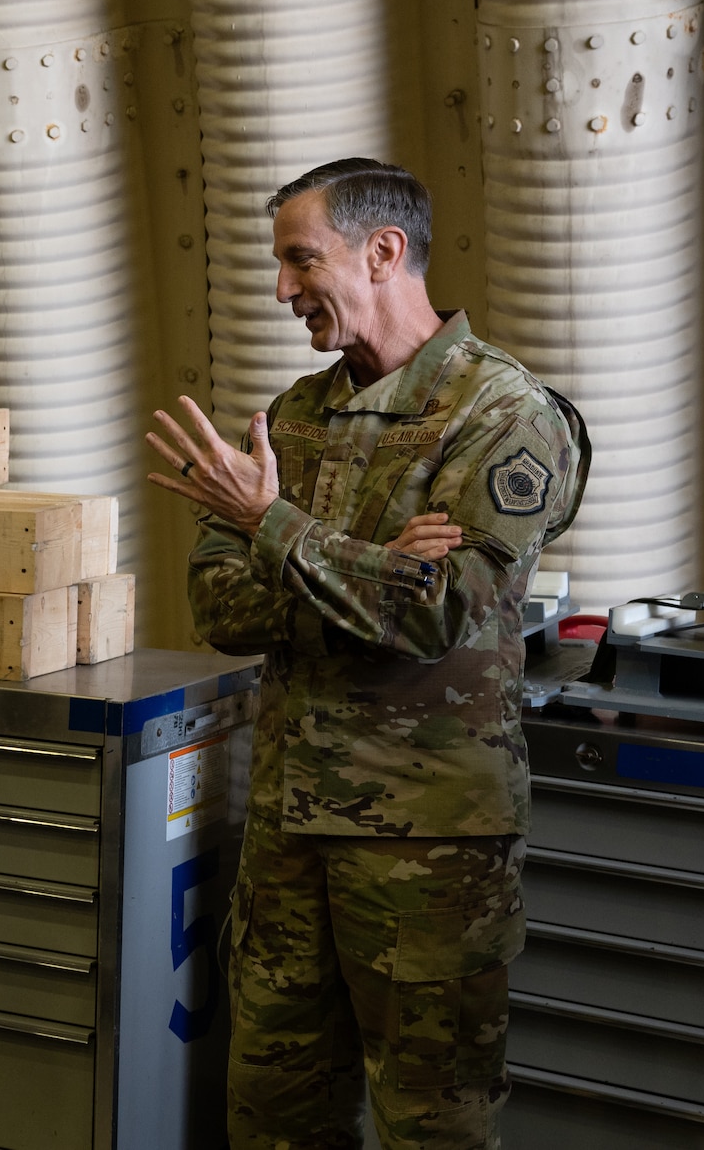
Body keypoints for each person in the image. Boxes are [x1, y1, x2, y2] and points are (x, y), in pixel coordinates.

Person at [146, 159, 589, 1149]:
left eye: (299, 259)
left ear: (381, 252)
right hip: (288, 829)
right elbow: (214, 602)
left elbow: (439, 611)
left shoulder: (505, 416)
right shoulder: (295, 416)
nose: (278, 289)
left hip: (427, 846)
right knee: (271, 1114)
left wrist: (276, 527)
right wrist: (366, 567)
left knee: (430, 1121)